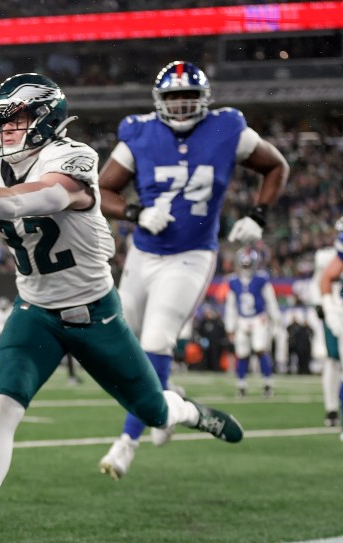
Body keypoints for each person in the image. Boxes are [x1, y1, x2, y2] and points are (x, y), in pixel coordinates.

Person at [0, 73, 244, 543]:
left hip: (94, 315)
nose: (8, 126)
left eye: (19, 116)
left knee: (154, 411)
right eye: (2, 116)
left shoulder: (72, 155)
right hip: (34, 311)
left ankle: (188, 410)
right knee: (3, 406)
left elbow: (42, 198)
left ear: (46, 119)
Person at [96, 61, 288, 480]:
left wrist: (258, 215)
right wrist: (135, 212)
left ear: (203, 99)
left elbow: (276, 166)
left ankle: (127, 443)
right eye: (173, 98)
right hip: (143, 255)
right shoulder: (140, 131)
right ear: (159, 101)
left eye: (188, 97)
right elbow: (103, 188)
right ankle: (170, 403)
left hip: (191, 255)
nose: (181, 106)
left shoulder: (227, 128)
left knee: (157, 339)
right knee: (123, 350)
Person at [224, 247, 280, 397]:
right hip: (242, 320)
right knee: (241, 354)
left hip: (258, 318)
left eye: (248, 265)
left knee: (260, 349)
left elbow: (271, 301)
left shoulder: (261, 279)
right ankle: (241, 385)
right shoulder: (233, 281)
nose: (246, 268)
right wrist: (230, 326)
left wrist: (275, 320)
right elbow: (230, 306)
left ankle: (268, 384)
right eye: (244, 265)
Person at [312, 220, 342, 426]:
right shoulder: (326, 257)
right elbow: (320, 281)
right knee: (332, 360)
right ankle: (331, 408)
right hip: (335, 312)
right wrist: (325, 306)